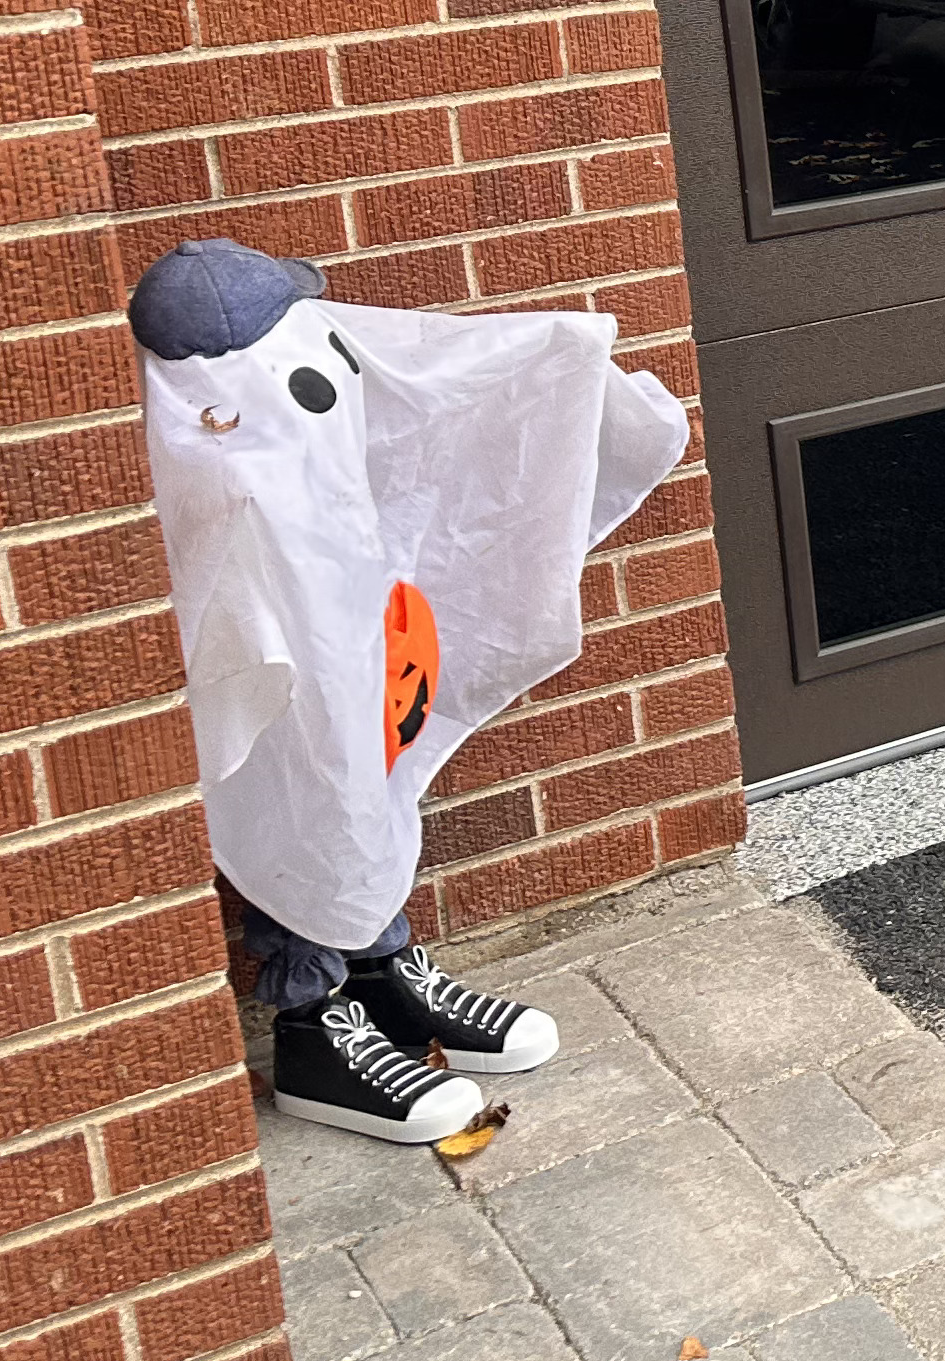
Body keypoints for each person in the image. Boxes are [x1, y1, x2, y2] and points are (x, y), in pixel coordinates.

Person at [129, 240, 689, 1141]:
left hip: (357, 606)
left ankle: (384, 975)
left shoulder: (275, 375)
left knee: (366, 771)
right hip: (282, 638)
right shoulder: (209, 443)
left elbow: (435, 377)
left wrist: (568, 355)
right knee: (301, 791)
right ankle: (315, 1027)